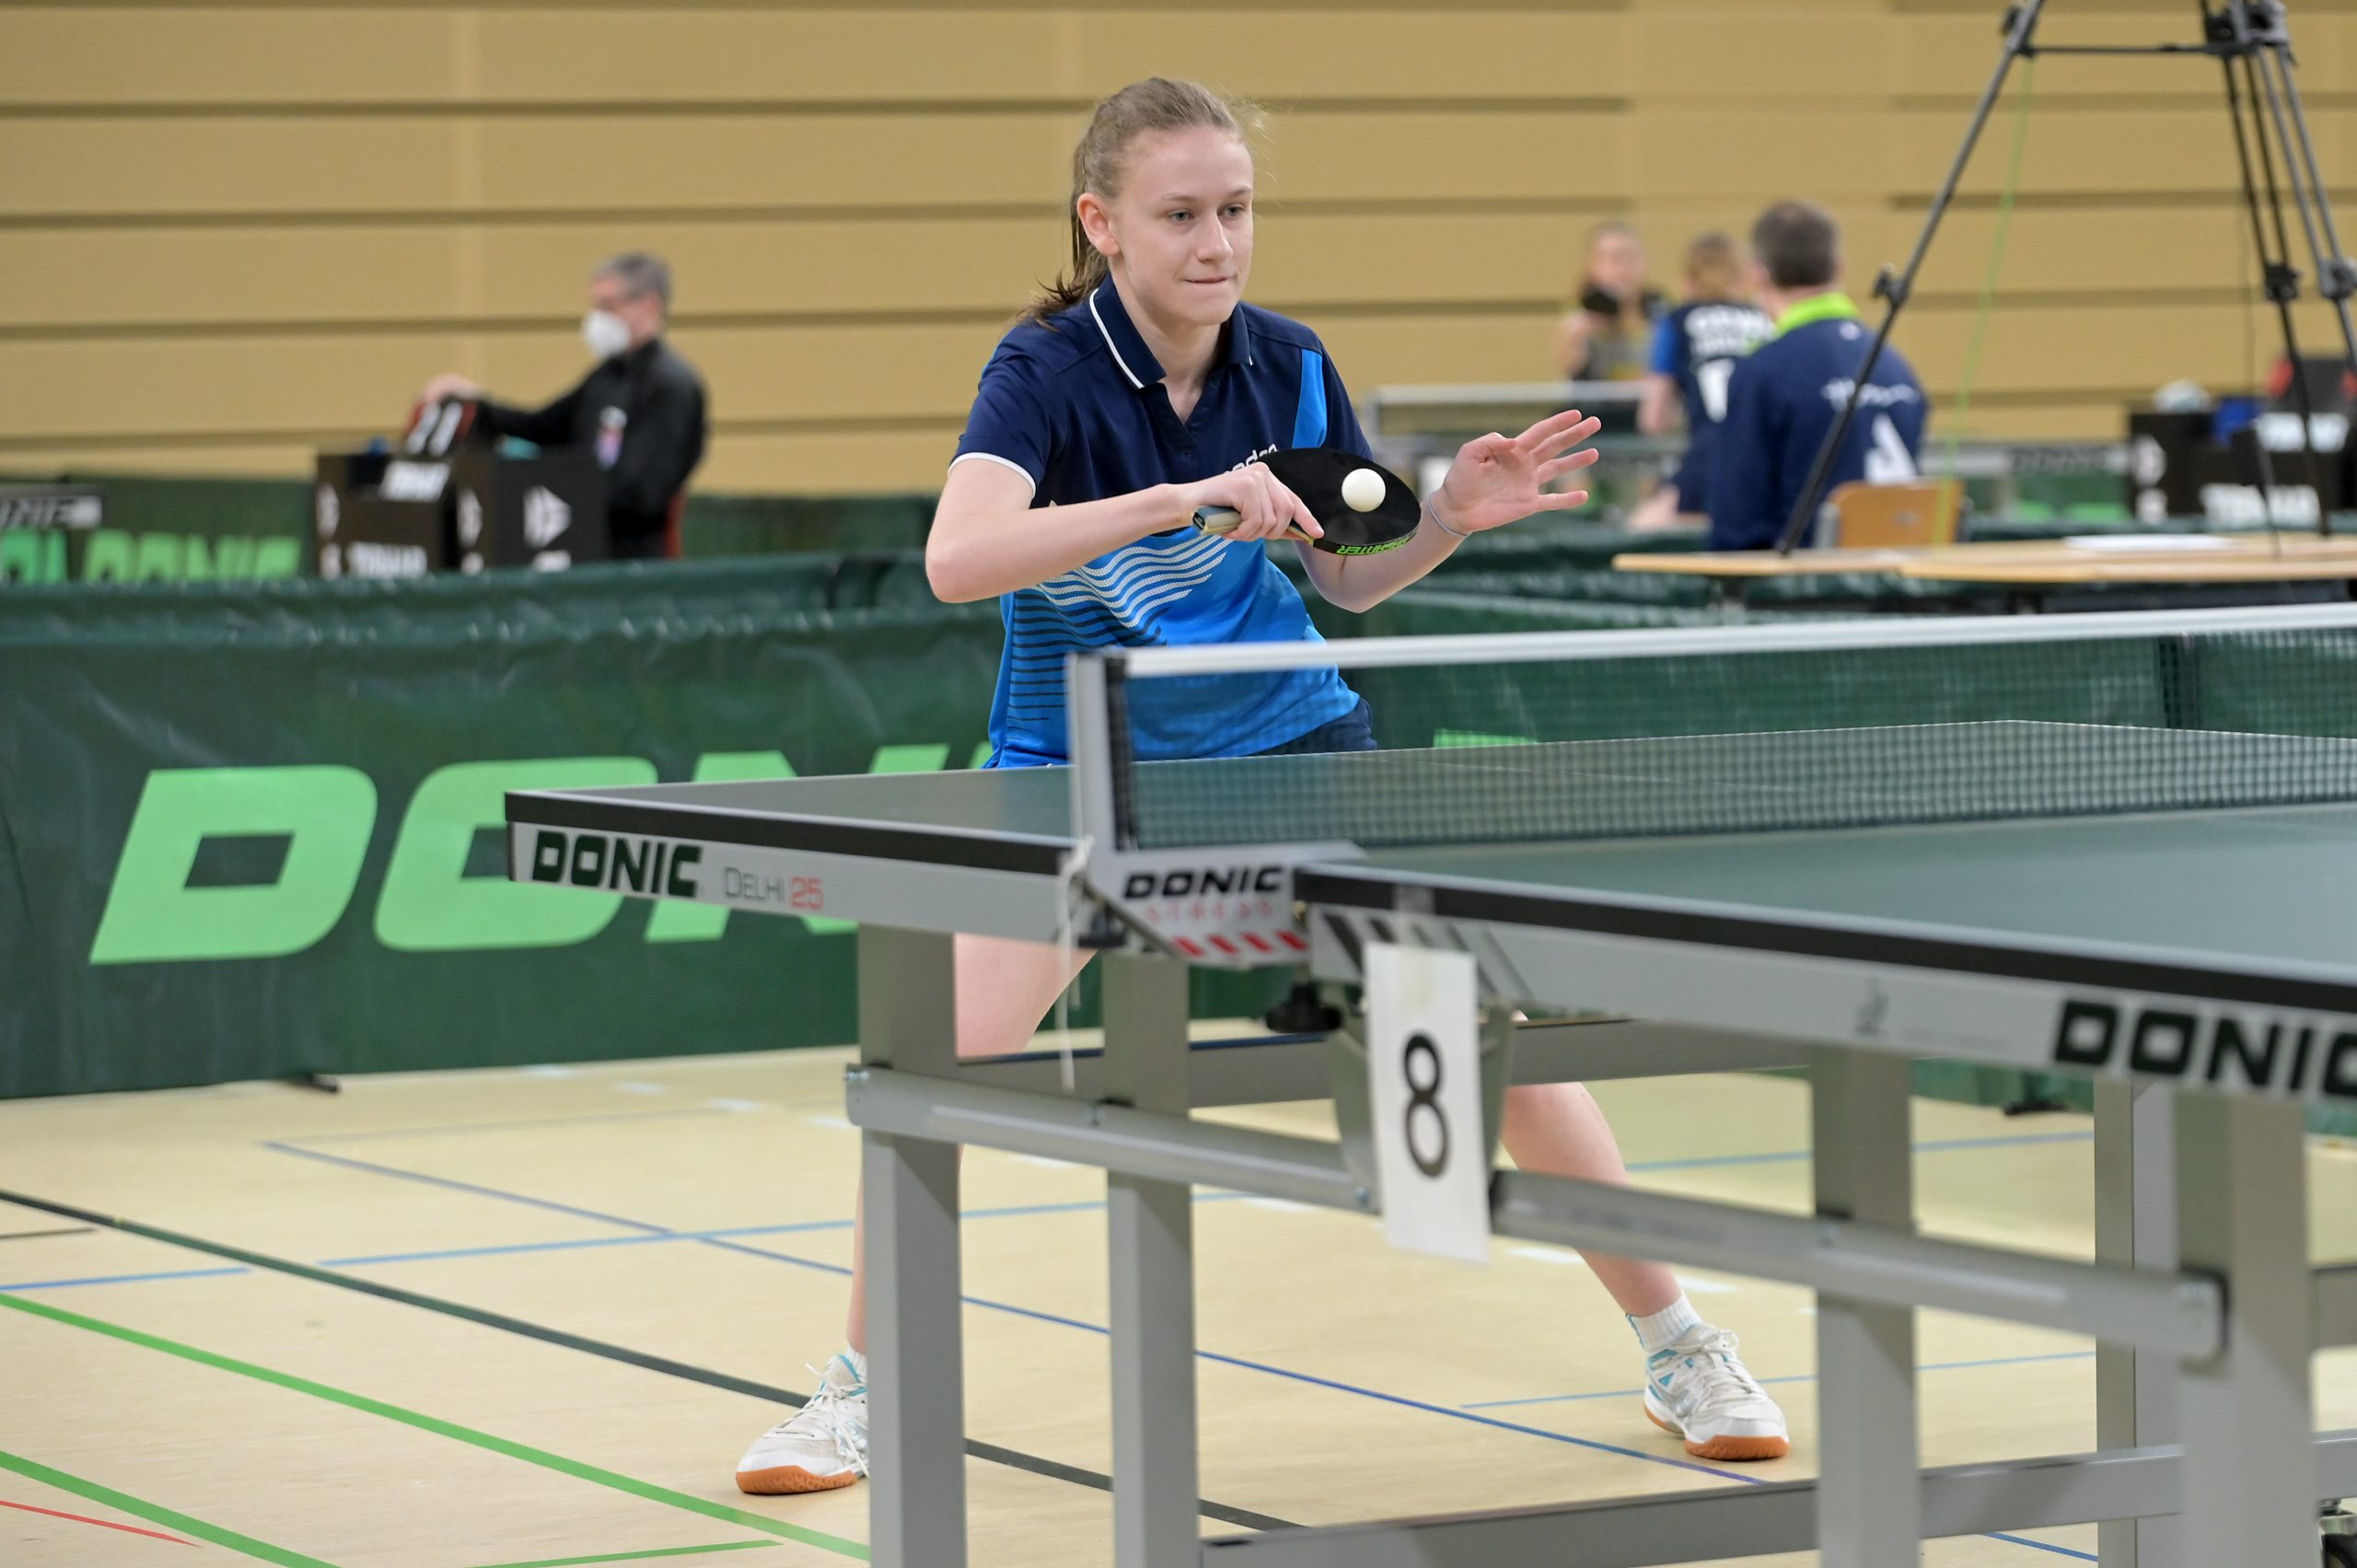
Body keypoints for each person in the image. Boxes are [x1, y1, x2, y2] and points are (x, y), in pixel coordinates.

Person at [730, 77, 1789, 1500]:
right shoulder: (1043, 370)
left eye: (1235, 208)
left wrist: (1447, 519)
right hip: (1079, 763)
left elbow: (1343, 580)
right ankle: (860, 1388)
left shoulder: (1286, 361)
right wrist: (1183, 497)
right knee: (931, 1071)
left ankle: (1680, 1343)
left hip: (1291, 746)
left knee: (1481, 1036)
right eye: (1181, 213)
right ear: (1103, 221)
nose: (1217, 241)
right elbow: (958, 558)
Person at [419, 253, 708, 561]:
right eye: (596, 306)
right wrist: (474, 401)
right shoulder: (607, 375)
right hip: (583, 548)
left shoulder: (669, 386)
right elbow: (545, 426)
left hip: (631, 560)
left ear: (649, 305)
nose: (598, 319)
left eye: (609, 306)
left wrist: (570, 492)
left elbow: (641, 493)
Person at [1708, 202, 1928, 551]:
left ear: (1758, 274)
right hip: (1901, 574)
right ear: (1839, 267)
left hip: (1810, 579)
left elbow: (1737, 529)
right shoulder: (1894, 364)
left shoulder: (1762, 372)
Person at [1625, 233, 1774, 531]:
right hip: (1767, 459)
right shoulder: (1766, 320)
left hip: (1710, 455)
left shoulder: (1677, 322)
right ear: (1742, 276)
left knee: (1639, 529)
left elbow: (1653, 420)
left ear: (1689, 279)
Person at [1551, 222, 1665, 383]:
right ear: (1592, 265)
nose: (1624, 268)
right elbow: (1570, 373)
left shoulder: (1662, 315)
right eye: (1615, 259)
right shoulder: (1577, 325)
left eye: (1631, 257)